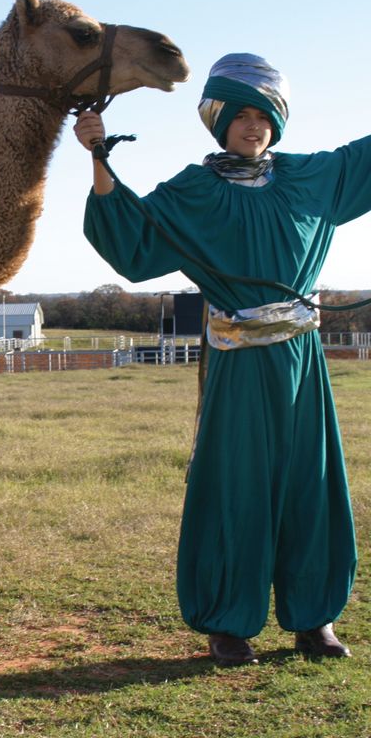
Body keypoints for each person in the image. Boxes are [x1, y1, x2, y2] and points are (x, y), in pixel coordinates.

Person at [74, 53, 365, 665]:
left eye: (265, 115)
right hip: (238, 364)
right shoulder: (194, 192)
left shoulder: (312, 179)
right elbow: (131, 239)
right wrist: (99, 158)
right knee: (237, 485)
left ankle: (315, 619)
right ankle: (228, 624)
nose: (254, 126)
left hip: (304, 363)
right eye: (242, 114)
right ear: (219, 118)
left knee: (311, 484)